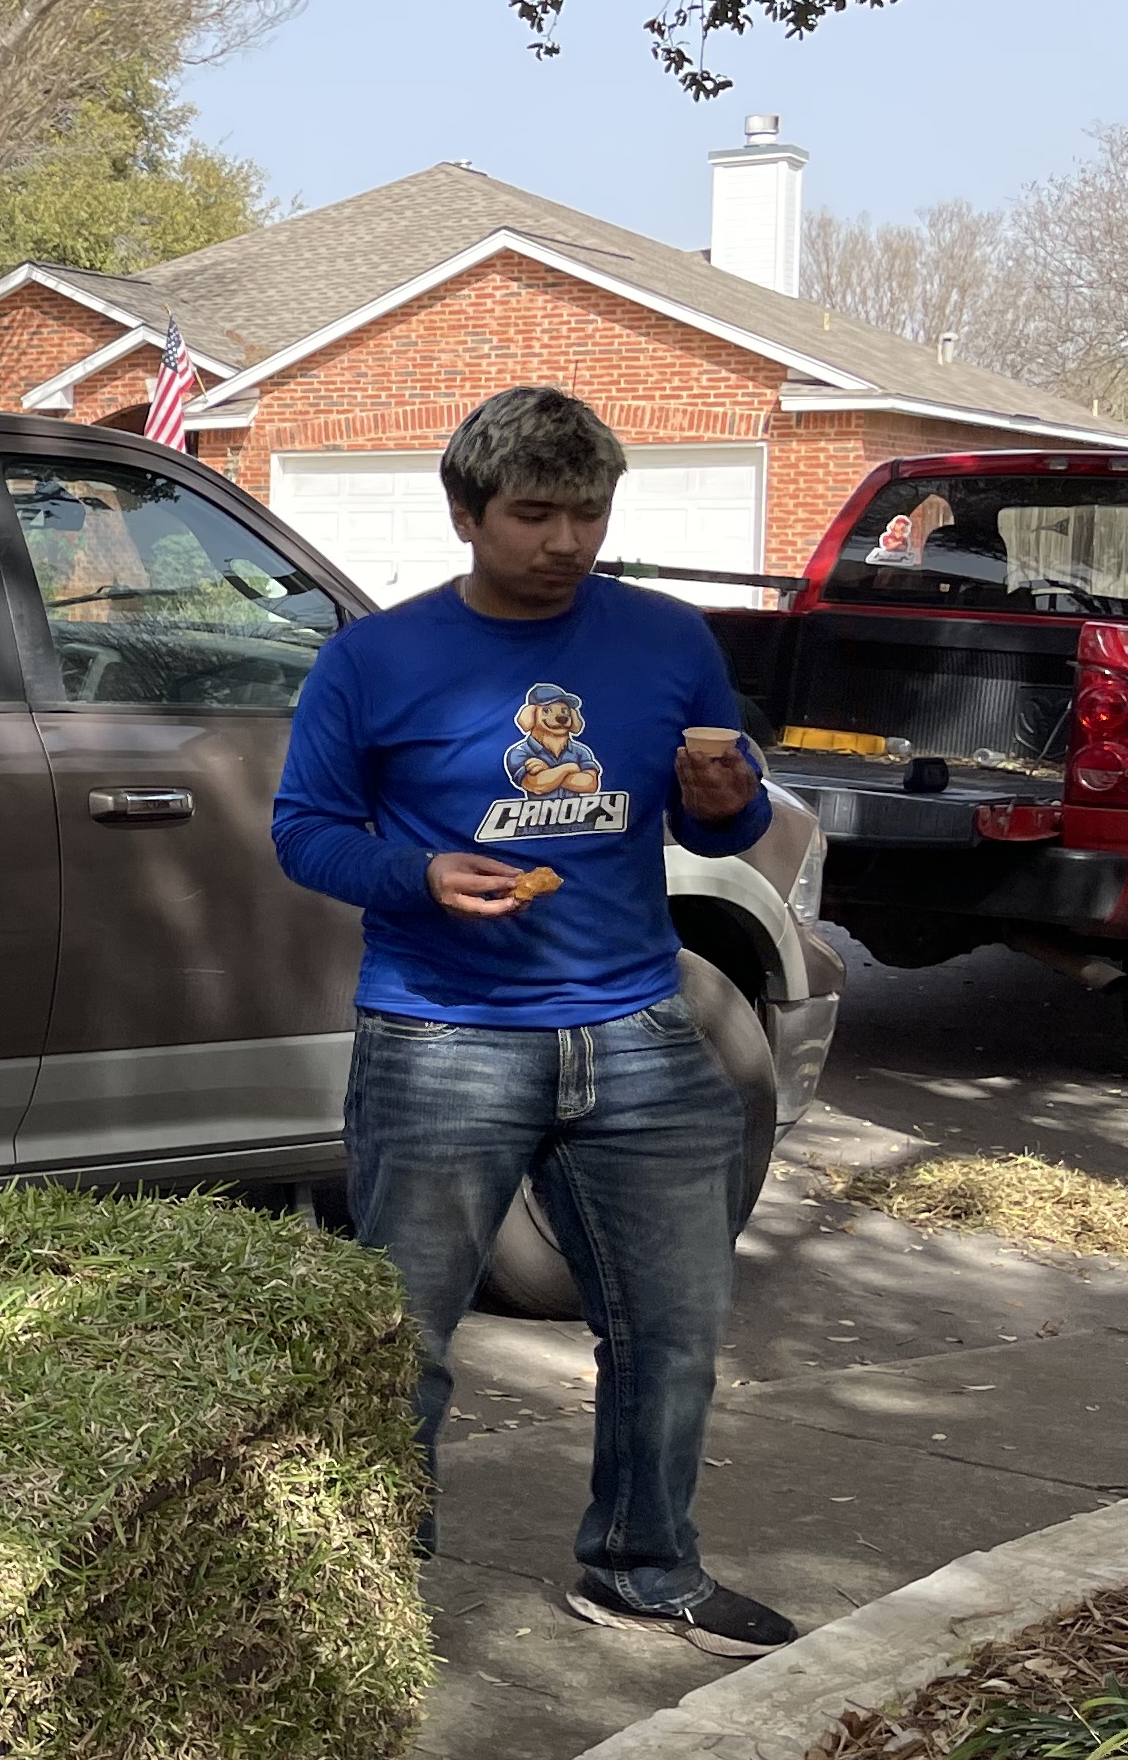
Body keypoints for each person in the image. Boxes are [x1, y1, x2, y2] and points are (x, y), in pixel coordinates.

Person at [270, 386, 797, 1658]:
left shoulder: (668, 642)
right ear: (466, 513)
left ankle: (643, 1565)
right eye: (536, 514)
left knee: (671, 1330)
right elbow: (306, 832)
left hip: (637, 1028)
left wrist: (732, 799)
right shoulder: (374, 659)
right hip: (441, 1037)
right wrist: (420, 876)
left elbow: (716, 825)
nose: (567, 542)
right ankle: (372, 1593)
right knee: (405, 1343)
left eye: (592, 513)